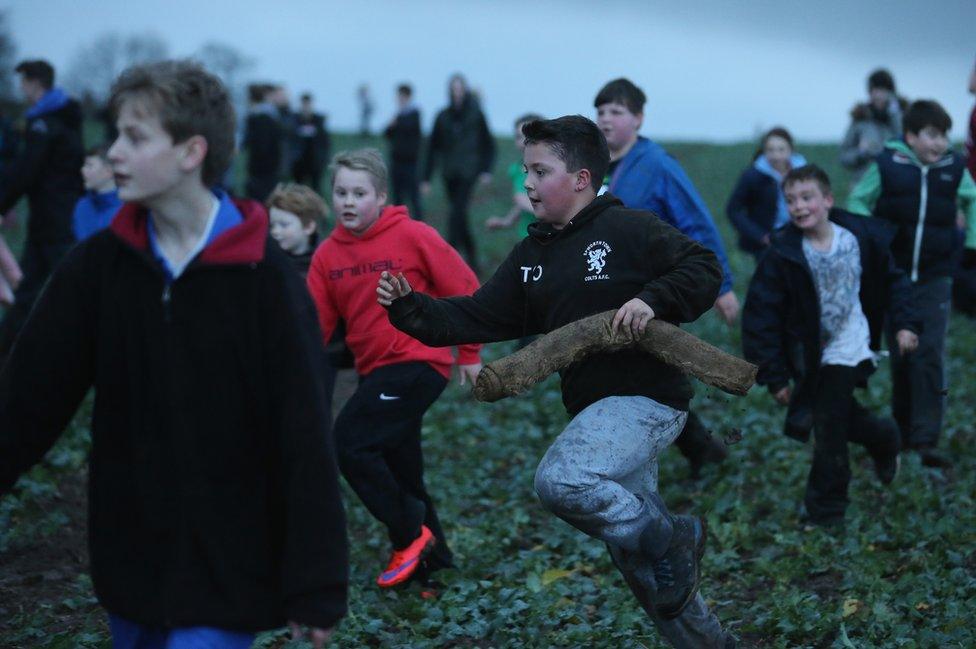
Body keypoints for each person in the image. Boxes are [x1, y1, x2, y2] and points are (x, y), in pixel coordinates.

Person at [0, 60, 348, 648]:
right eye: (116, 135)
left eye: (135, 138)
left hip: (228, 568)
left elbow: (303, 435)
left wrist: (315, 582)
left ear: (191, 152)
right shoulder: (96, 269)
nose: (113, 152)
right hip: (128, 560)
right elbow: (27, 400)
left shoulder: (265, 279)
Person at [380, 116, 733, 648]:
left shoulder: (628, 230)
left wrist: (652, 299)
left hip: (650, 403)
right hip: (599, 419)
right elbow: (477, 314)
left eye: (540, 171)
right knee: (646, 567)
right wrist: (409, 308)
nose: (526, 183)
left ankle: (675, 535)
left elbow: (702, 267)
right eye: (526, 170)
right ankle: (711, 639)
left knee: (562, 480)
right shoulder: (533, 257)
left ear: (581, 178)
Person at [307, 148, 482, 589]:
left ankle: (409, 530)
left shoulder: (412, 235)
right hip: (375, 371)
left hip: (419, 363)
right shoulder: (327, 256)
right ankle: (435, 563)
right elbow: (314, 326)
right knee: (402, 468)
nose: (348, 201)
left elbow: (464, 287)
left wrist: (471, 352)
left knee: (350, 443)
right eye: (341, 192)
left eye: (359, 193)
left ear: (381, 195)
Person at [743, 164, 919, 526]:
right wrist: (775, 376)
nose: (799, 206)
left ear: (827, 199)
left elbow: (894, 281)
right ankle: (884, 436)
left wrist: (903, 325)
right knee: (837, 415)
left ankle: (826, 511)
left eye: (807, 198)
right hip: (810, 354)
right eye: (790, 200)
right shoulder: (783, 254)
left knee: (827, 425)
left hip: (850, 344)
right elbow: (761, 316)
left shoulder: (859, 239)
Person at [594, 77, 736, 478]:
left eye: (616, 112)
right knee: (640, 382)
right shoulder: (593, 165)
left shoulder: (657, 165)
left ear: (638, 118)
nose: (605, 119)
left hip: (651, 294)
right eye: (601, 111)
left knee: (648, 382)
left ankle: (674, 457)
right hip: (607, 293)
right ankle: (699, 450)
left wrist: (721, 284)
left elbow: (696, 222)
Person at [847, 99, 976, 469]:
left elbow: (973, 199)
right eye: (932, 135)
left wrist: (971, 244)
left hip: (936, 277)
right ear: (911, 136)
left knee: (930, 354)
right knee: (904, 355)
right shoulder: (888, 165)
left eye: (944, 136)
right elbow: (858, 200)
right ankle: (902, 432)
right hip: (896, 276)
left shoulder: (954, 168)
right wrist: (872, 242)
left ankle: (926, 440)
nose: (939, 144)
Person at [0, 59, 84, 359]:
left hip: (52, 218)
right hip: (58, 214)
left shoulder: (43, 124)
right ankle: (14, 347)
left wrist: (2, 204)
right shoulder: (65, 117)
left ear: (35, 82)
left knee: (61, 287)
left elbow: (26, 171)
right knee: (34, 286)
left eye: (23, 82)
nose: (21, 89)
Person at [423, 73, 495, 272]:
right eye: (453, 88)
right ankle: (472, 259)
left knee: (456, 214)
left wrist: (486, 170)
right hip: (449, 173)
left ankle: (448, 260)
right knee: (460, 215)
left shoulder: (476, 114)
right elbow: (432, 147)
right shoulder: (443, 116)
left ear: (465, 89)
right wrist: (426, 178)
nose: (456, 92)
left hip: (468, 172)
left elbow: (488, 144)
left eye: (459, 87)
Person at [725, 127, 806, 259]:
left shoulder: (804, 173)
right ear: (764, 151)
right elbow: (733, 210)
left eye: (781, 149)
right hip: (767, 244)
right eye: (770, 150)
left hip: (799, 238)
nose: (776, 155)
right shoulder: (753, 175)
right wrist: (760, 236)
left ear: (790, 150)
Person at [839, 68, 907, 184]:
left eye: (884, 90)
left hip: (895, 183)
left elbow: (907, 141)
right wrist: (861, 152)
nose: (879, 95)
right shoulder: (859, 119)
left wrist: (894, 113)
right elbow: (843, 157)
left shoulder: (903, 116)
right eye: (875, 90)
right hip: (863, 185)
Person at [485, 113, 543, 236]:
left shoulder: (548, 170)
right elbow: (520, 202)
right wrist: (506, 221)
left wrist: (527, 204)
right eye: (518, 137)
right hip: (526, 237)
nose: (522, 142)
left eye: (528, 136)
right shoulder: (515, 170)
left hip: (547, 237)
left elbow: (556, 212)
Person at [267, 181, 328, 276]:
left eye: (284, 225)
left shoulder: (326, 266)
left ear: (308, 227)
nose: (275, 231)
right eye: (272, 225)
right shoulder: (268, 261)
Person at [384, 83, 423, 220]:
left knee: (414, 198)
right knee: (397, 197)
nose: (399, 99)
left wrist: (398, 121)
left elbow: (410, 129)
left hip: (410, 163)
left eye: (402, 96)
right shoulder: (398, 115)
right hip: (396, 162)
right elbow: (387, 134)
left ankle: (419, 226)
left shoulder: (414, 114)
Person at [72, 143, 123, 241]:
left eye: (89, 165)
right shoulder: (82, 206)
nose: (82, 170)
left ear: (109, 171)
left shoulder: (126, 209)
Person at [243, 83, 281, 201]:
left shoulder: (259, 118)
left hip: (261, 168)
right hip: (268, 167)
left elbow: (260, 145)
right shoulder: (270, 116)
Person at [292, 93, 330, 192]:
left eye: (308, 104)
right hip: (299, 161)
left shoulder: (318, 120)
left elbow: (325, 141)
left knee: (316, 188)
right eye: (304, 104)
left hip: (314, 160)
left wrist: (323, 159)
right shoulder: (295, 119)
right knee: (298, 188)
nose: (306, 107)